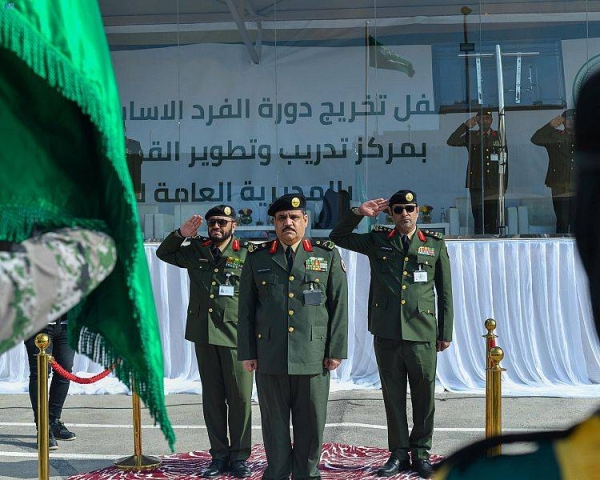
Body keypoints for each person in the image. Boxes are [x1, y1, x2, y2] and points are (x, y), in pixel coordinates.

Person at [0, 1, 174, 448]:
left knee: (63, 371)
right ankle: (43, 428)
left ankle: (55, 420)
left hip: (65, 315)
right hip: (36, 313)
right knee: (43, 372)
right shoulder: (23, 230)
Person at [433, 71, 600, 480]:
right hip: (496, 186)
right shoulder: (479, 136)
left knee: (511, 215)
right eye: (484, 120)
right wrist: (470, 125)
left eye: (489, 120)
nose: (488, 125)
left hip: (518, 187)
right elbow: (530, 139)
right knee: (482, 218)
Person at [330, 190, 453, 479]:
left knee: (424, 396)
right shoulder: (377, 240)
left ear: (418, 211)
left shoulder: (433, 244)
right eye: (398, 209)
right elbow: (338, 237)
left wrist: (444, 331)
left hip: (422, 332)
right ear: (391, 214)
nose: (404, 214)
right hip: (387, 331)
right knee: (393, 396)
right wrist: (359, 213)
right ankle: (398, 453)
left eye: (410, 208)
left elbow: (444, 292)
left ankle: (421, 452)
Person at [237, 193, 349, 480]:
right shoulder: (257, 257)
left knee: (311, 425)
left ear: (305, 221)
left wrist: (335, 349)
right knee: (274, 425)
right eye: (282, 218)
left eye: (294, 217)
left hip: (312, 355)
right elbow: (246, 309)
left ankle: (306, 474)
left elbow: (338, 305)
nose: (288, 222)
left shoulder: (326, 255)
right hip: (270, 355)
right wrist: (247, 352)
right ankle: (276, 473)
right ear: (274, 223)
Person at [157, 206, 253, 478]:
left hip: (235, 336)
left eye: (222, 222)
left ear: (233, 225)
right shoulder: (196, 250)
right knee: (212, 399)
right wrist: (180, 234)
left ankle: (240, 457)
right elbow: (164, 253)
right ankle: (219, 456)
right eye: (212, 222)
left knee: (240, 399)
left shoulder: (247, 253)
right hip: (204, 334)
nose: (216, 226)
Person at [447, 109, 506, 234]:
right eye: (482, 118)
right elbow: (451, 141)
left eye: (487, 118)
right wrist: (465, 126)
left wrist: (504, 184)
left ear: (492, 120)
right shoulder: (471, 136)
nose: (485, 120)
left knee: (493, 217)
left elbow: (505, 162)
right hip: (477, 181)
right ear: (477, 120)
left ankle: (494, 244)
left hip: (494, 182)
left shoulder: (499, 136)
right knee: (479, 216)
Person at [530, 109, 576, 233]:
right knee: (562, 219)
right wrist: (550, 126)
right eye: (568, 118)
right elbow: (535, 139)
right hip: (559, 183)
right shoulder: (555, 135)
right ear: (563, 121)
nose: (571, 121)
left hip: (579, 184)